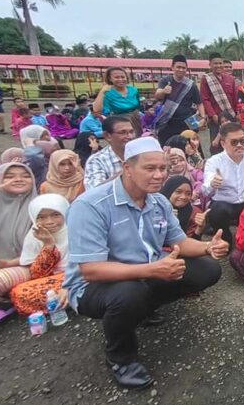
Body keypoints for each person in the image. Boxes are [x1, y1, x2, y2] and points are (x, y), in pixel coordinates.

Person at [63, 137, 229, 388]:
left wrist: (209, 247)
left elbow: (180, 243)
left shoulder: (158, 201)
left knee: (207, 269)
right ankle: (121, 357)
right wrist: (153, 269)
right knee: (129, 293)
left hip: (146, 270)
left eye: (162, 168)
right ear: (127, 168)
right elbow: (91, 270)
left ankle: (142, 310)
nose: (159, 175)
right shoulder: (91, 205)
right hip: (94, 286)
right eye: (149, 168)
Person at [8, 194, 71, 315]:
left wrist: (69, 284)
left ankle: (71, 299)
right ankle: (65, 302)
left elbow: (88, 264)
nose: (49, 222)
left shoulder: (75, 229)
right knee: (19, 293)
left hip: (80, 276)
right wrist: (48, 244)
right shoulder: (34, 235)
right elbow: (37, 274)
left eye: (55, 215)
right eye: (41, 217)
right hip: (53, 280)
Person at [0, 163, 38, 303]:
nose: (18, 179)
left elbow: (44, 251)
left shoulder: (40, 208)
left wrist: (8, 263)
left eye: (26, 176)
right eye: (9, 177)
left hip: (26, 265)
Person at [154, 55, 205, 145]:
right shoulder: (165, 81)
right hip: (167, 122)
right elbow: (157, 95)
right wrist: (163, 91)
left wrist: (203, 118)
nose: (181, 70)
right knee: (167, 149)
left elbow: (199, 103)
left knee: (191, 148)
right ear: (172, 67)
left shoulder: (191, 85)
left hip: (186, 122)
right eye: (178, 67)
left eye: (183, 68)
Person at [84, 116, 135, 190]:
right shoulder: (97, 160)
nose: (130, 136)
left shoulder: (142, 154)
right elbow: (94, 192)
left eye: (131, 132)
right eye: (123, 132)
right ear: (107, 136)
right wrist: (126, 172)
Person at [200, 53, 237, 153]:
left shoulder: (231, 79)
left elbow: (234, 98)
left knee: (232, 142)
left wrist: (237, 114)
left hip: (230, 116)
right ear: (210, 65)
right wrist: (213, 114)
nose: (218, 66)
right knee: (216, 145)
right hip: (216, 119)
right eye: (215, 63)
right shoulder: (206, 79)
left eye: (220, 63)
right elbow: (205, 99)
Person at [93, 67, 143, 136]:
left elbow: (138, 105)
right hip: (119, 122)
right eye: (117, 77)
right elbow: (97, 110)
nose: (120, 79)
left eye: (123, 77)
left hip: (136, 120)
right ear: (110, 79)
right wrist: (102, 91)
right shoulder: (108, 93)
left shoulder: (133, 90)